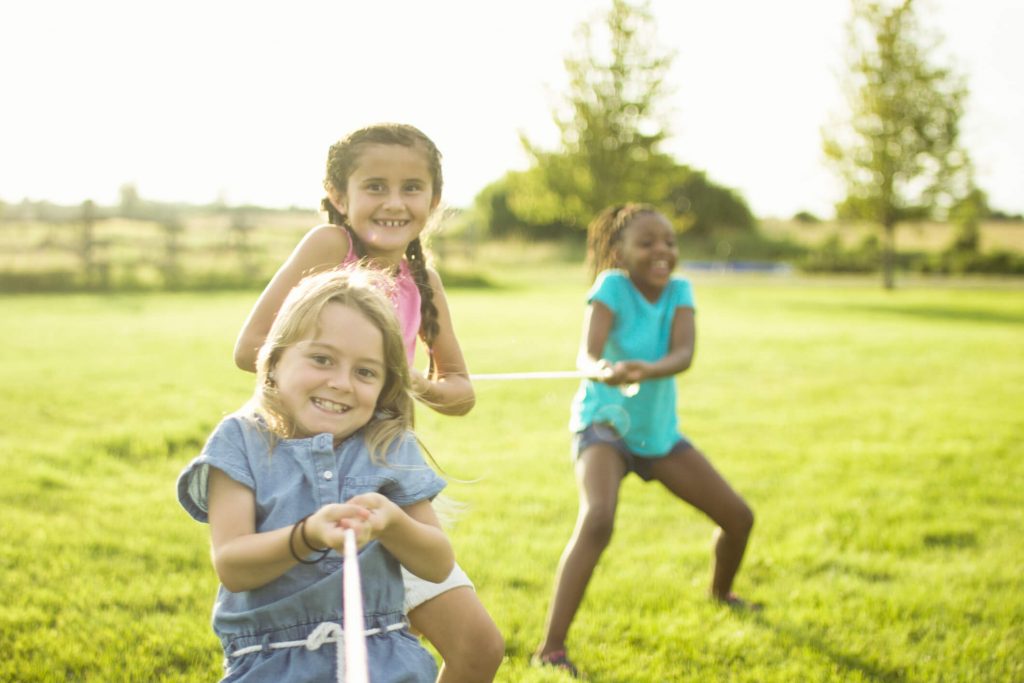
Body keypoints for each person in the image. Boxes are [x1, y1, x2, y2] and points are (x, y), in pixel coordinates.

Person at [232, 123, 503, 682]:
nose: (394, 202)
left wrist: (401, 380)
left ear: (434, 198)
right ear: (338, 195)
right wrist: (337, 375)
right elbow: (250, 348)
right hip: (308, 475)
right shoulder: (332, 247)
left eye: (412, 187)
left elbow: (459, 390)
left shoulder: (422, 277)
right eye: (374, 186)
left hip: (386, 475)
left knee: (477, 648)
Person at [177, 268, 455, 682]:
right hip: (272, 662)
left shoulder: (388, 443)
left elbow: (437, 563)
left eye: (365, 372)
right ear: (273, 361)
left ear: (384, 385)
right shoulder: (240, 441)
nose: (341, 383)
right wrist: (306, 536)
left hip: (383, 656)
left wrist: (392, 522)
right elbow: (233, 565)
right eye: (322, 359)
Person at [532, 203, 757, 678]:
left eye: (670, 242)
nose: (662, 251)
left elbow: (683, 354)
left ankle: (721, 595)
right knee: (598, 520)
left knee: (738, 518)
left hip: (657, 436)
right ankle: (551, 647)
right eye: (648, 242)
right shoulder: (611, 286)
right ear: (620, 252)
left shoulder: (680, 291)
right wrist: (602, 370)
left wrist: (645, 369)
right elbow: (587, 354)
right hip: (604, 427)